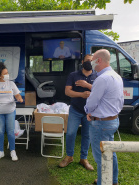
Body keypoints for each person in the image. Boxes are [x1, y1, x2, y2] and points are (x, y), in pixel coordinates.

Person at [84, 49, 124, 185]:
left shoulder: (102, 78)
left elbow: (92, 102)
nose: (91, 64)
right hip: (112, 120)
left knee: (101, 158)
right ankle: (113, 181)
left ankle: (103, 182)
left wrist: (88, 111)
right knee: (110, 153)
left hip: (101, 124)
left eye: (92, 60)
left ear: (99, 60)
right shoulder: (116, 76)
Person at [59, 54, 96, 171]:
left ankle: (83, 158)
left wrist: (87, 86)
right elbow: (67, 92)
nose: (89, 62)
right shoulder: (73, 75)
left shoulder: (98, 75)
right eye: (87, 61)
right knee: (70, 133)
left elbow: (102, 92)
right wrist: (81, 94)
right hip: (75, 109)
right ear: (82, 62)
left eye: (91, 61)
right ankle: (69, 156)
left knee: (87, 135)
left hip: (90, 112)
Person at [0, 62, 23, 162]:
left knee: (11, 131)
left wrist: (19, 98)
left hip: (10, 111)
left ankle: (12, 151)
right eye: (5, 73)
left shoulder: (11, 84)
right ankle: (0, 151)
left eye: (7, 72)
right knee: (0, 131)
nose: (7, 75)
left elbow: (17, 95)